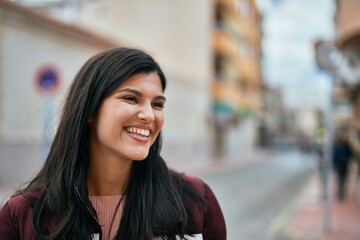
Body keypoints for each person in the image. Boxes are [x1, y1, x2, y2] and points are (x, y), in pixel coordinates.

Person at [0, 48, 226, 240]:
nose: (149, 115)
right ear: (90, 109)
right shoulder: (24, 215)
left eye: (157, 104)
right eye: (131, 98)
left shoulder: (193, 201)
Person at [332, 126, 353, 201]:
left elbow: (351, 155)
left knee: (344, 179)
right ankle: (340, 192)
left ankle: (341, 192)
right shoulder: (339, 144)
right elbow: (335, 154)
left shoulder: (348, 144)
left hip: (345, 165)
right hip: (340, 165)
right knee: (340, 179)